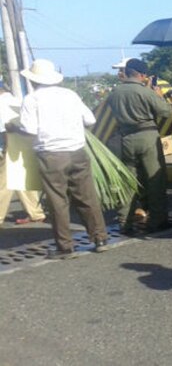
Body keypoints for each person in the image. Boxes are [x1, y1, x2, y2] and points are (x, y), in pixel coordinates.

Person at [19, 59, 109, 259]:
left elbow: (29, 129)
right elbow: (90, 120)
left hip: (51, 154)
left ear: (33, 80)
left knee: (58, 200)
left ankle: (65, 246)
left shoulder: (32, 100)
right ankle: (100, 238)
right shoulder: (70, 95)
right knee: (86, 196)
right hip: (77, 150)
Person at [106, 59, 172, 234]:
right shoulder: (145, 92)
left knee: (129, 182)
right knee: (154, 180)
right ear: (143, 75)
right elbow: (165, 112)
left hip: (125, 137)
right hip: (147, 137)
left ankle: (124, 223)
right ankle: (157, 221)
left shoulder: (115, 93)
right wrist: (157, 94)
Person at [0, 82, 46, 226]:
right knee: (22, 180)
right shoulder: (17, 101)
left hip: (12, 145)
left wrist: (4, 150)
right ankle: (36, 212)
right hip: (27, 144)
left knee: (3, 183)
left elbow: (4, 130)